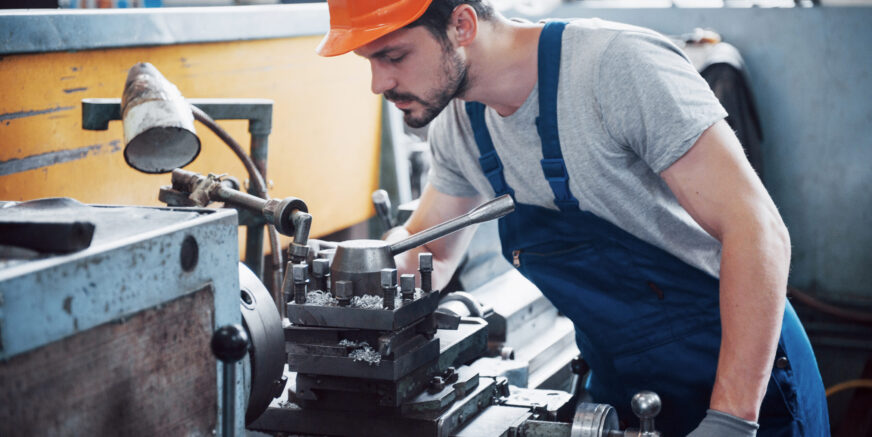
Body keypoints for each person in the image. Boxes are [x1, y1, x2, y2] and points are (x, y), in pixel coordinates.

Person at [316, 1, 829, 435]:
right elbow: (431, 249)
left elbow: (756, 229)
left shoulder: (617, 69)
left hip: (743, 378)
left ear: (463, 26)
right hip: (621, 383)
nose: (378, 82)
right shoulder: (461, 125)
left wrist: (732, 418)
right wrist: (355, 282)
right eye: (370, 61)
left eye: (393, 55)